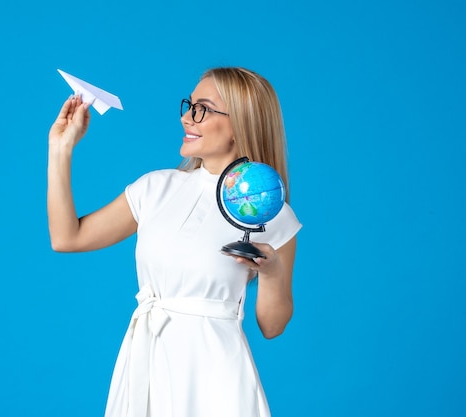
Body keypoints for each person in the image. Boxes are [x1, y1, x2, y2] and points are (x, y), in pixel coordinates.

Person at [47, 67, 302, 417]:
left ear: (240, 125)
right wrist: (60, 149)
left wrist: (270, 271)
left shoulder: (269, 212)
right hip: (146, 359)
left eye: (203, 109)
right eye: (189, 105)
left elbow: (273, 327)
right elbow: (66, 238)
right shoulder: (156, 188)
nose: (187, 117)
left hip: (216, 374)